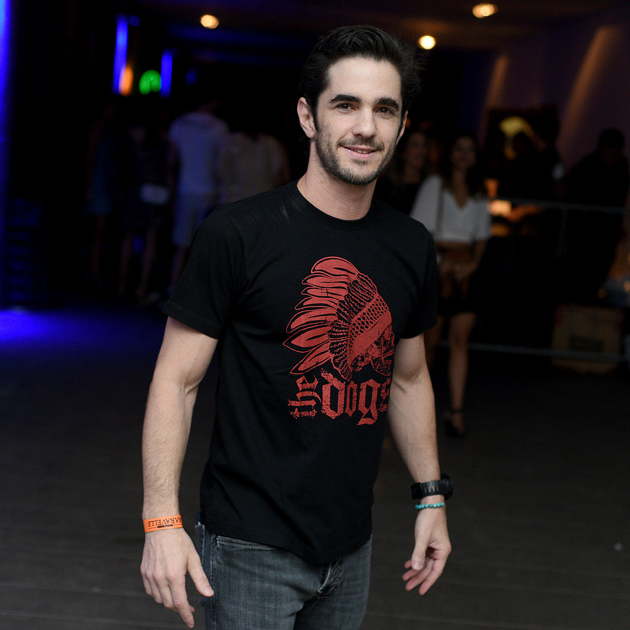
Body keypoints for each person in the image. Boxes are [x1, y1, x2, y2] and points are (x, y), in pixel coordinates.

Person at [140, 25, 451, 630]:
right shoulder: (238, 234)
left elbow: (409, 379)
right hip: (248, 543)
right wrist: (160, 521)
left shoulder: (411, 245)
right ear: (308, 116)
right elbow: (176, 382)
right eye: (346, 105)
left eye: (384, 109)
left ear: (402, 126)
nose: (366, 127)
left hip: (351, 543)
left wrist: (430, 498)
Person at [410, 132, 490, 436]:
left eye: (470, 150)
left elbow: (482, 236)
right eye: (459, 149)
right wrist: (441, 263)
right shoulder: (435, 184)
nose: (464, 155)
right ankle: (417, 410)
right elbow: (420, 230)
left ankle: (456, 412)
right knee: (430, 343)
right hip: (439, 268)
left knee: (460, 342)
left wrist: (474, 265)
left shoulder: (479, 191)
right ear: (450, 153)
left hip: (467, 270)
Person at [167, 97, 229, 291]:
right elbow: (221, 164)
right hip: (209, 192)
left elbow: (171, 161)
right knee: (203, 248)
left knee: (181, 245)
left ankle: (173, 288)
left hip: (184, 191)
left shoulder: (179, 124)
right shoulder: (219, 127)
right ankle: (196, 295)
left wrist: (171, 193)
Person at [375, 124, 429, 214]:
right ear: (403, 150)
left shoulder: (430, 185)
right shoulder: (385, 187)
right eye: (415, 145)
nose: (422, 150)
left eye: (424, 145)